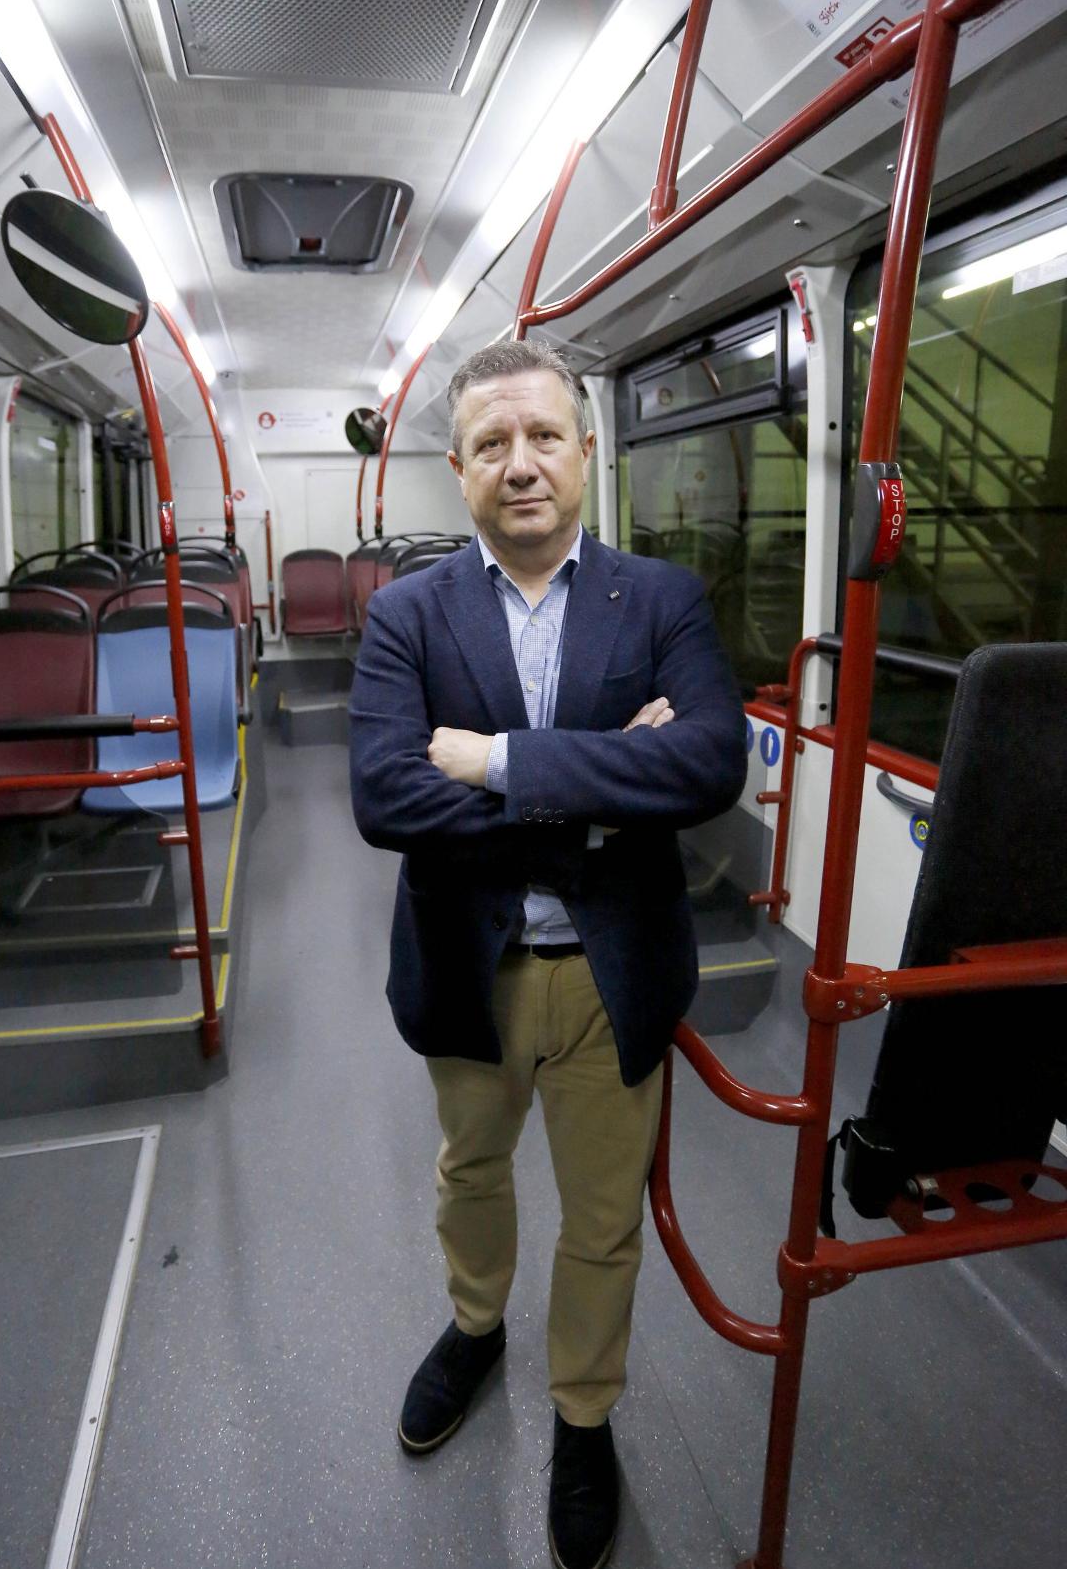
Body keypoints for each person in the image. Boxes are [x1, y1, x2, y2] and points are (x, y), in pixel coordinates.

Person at [348, 338, 746, 1569]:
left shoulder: (663, 598)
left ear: (585, 450)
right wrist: (601, 780)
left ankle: (584, 1411)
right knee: (471, 1171)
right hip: (471, 962)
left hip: (611, 968)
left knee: (601, 1212)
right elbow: (384, 796)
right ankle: (477, 1324)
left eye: (544, 437)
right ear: (458, 468)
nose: (521, 465)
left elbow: (708, 763)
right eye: (491, 445)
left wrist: (495, 757)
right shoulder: (406, 614)